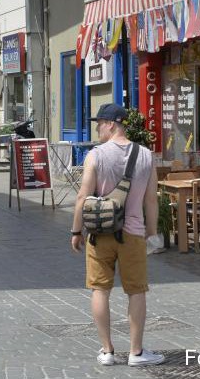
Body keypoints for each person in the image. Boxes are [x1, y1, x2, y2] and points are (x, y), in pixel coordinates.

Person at [70, 103, 165, 368]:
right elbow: (151, 201)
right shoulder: (146, 155)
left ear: (111, 124)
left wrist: (76, 230)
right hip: (133, 234)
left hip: (100, 233)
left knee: (100, 289)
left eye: (99, 123)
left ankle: (107, 351)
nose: (97, 128)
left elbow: (82, 196)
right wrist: (152, 233)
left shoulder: (95, 155)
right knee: (137, 291)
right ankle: (136, 352)